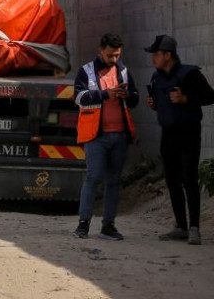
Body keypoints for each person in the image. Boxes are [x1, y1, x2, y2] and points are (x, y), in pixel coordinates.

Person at [145, 35, 214, 246]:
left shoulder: (190, 75)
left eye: (156, 54)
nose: (153, 59)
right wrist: (154, 104)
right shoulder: (157, 78)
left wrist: (186, 99)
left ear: (168, 55)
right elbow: (162, 104)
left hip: (188, 134)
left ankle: (194, 228)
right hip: (168, 135)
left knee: (189, 180)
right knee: (172, 181)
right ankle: (180, 227)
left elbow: (210, 96)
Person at [72, 33, 139, 241]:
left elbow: (135, 99)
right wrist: (105, 94)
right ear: (101, 50)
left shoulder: (124, 72)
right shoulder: (86, 71)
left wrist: (127, 95)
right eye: (110, 55)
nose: (114, 60)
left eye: (117, 55)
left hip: (119, 135)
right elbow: (78, 98)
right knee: (93, 178)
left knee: (114, 182)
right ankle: (83, 225)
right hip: (96, 136)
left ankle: (108, 226)